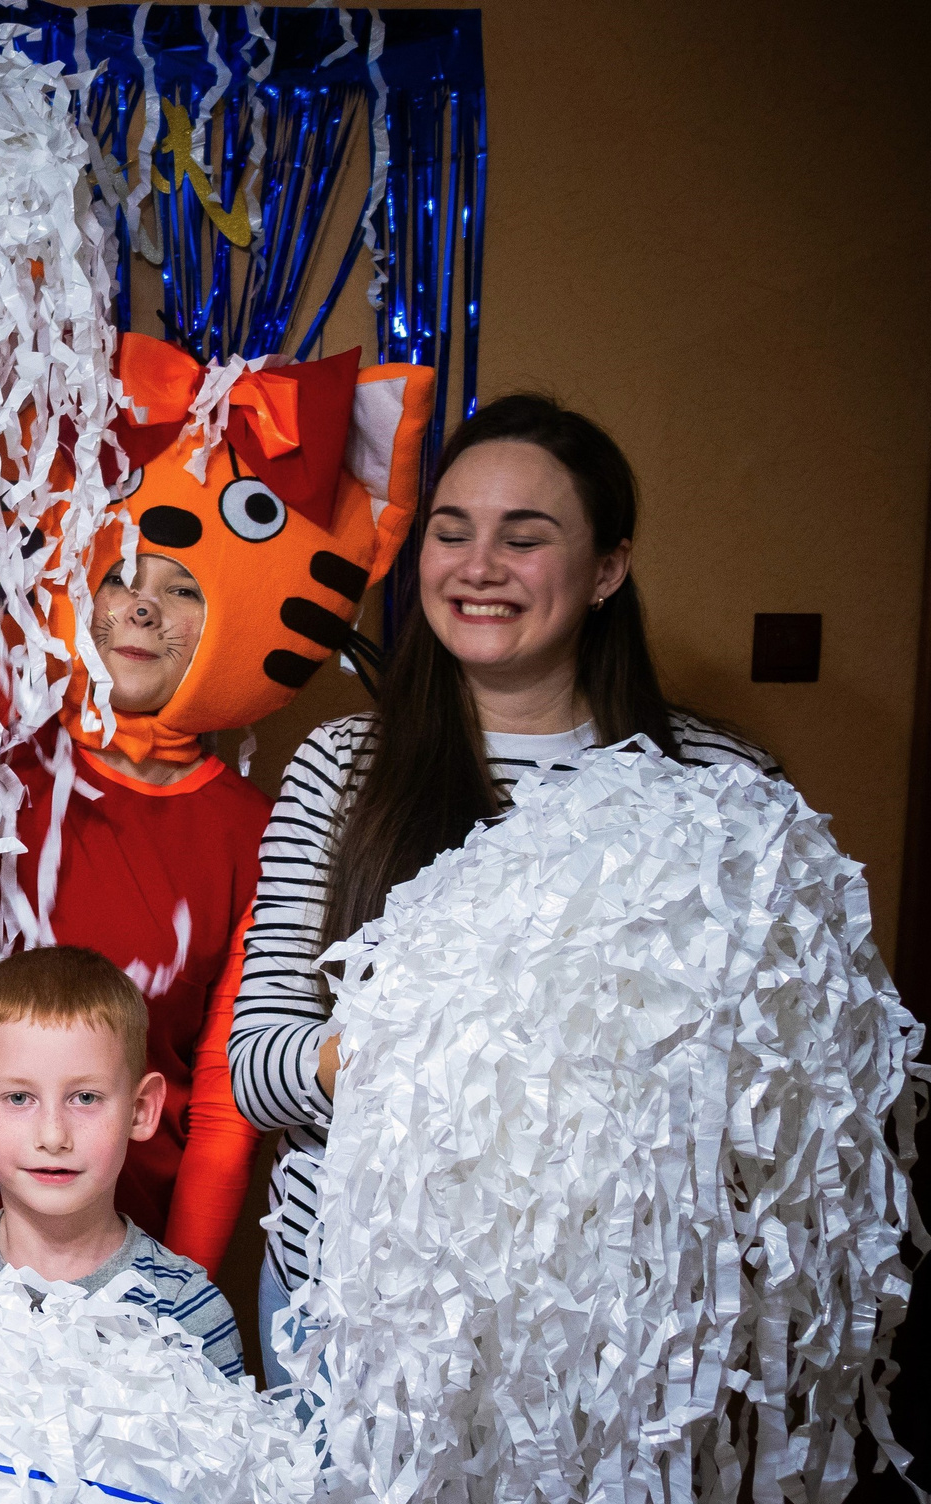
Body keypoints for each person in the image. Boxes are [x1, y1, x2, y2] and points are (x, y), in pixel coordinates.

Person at [0, 334, 437, 1276]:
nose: (141, 610)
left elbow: (221, 1100)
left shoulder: (257, 828)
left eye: (184, 589)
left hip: (123, 1241)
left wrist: (184, 1285)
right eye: (121, 574)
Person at [229, 394, 776, 1387]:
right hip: (349, 1302)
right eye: (452, 533)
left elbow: (767, 1082)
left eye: (523, 540)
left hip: (609, 1322)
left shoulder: (717, 787)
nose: (477, 567)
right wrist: (439, 1049)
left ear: (606, 568)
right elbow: (258, 1067)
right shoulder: (341, 766)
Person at [0, 946, 244, 1378]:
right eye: (19, 1098)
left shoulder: (186, 1314)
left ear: (141, 1109)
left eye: (85, 1098)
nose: (53, 1136)